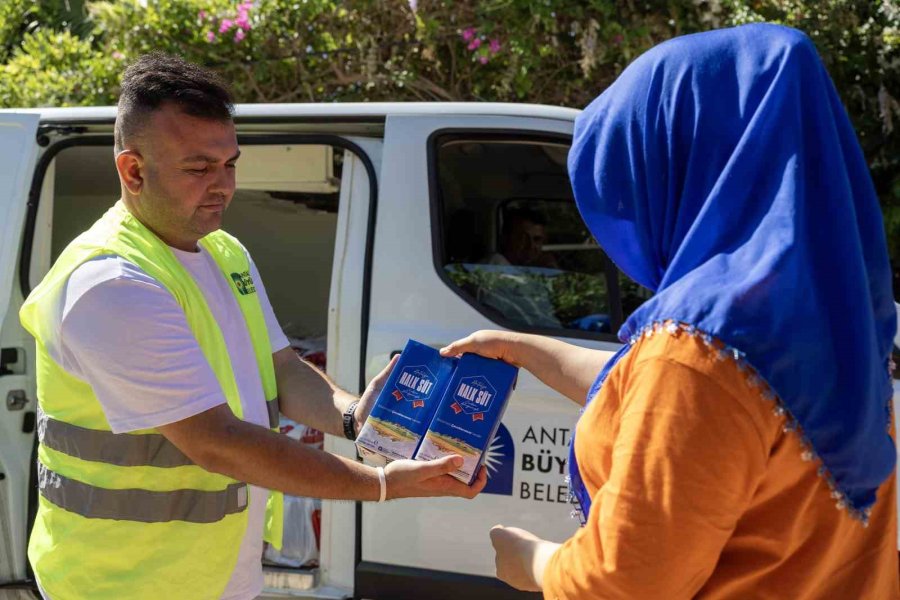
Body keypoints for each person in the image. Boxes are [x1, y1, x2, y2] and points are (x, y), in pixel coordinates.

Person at [442, 24, 899, 598]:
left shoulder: (697, 344)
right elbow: (678, 402)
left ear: (676, 162)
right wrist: (524, 348)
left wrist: (532, 561)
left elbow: (625, 582)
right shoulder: (832, 323)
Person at [21, 53, 484, 600]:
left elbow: (281, 368)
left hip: (210, 576)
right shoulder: (111, 285)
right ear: (133, 170)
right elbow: (219, 443)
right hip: (120, 582)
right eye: (198, 169)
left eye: (230, 164)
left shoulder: (224, 252)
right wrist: (380, 484)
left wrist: (356, 418)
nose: (222, 186)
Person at [487, 208, 557, 268]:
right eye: (522, 238)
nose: (531, 246)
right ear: (505, 239)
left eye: (537, 239)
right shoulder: (497, 263)